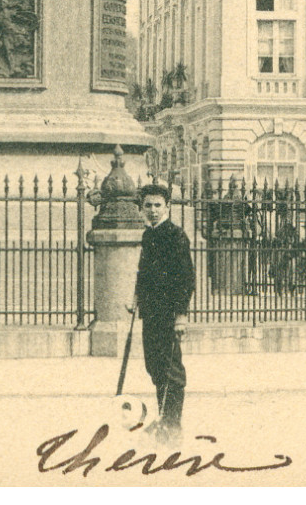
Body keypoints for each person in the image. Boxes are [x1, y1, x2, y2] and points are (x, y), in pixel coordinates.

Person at [134, 183, 193, 440]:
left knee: (171, 370)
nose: (153, 210)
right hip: (151, 312)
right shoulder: (149, 235)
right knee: (155, 366)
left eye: (158, 205)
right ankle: (163, 417)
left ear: (167, 206)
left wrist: (181, 315)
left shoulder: (175, 235)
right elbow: (144, 273)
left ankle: (172, 425)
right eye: (148, 206)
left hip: (169, 313)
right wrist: (136, 298)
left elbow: (186, 278)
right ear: (142, 208)